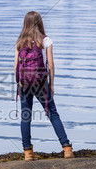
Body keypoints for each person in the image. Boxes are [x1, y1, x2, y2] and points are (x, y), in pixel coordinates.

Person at [14, 11, 74, 160]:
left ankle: (27, 152)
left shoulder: (20, 41)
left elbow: (15, 65)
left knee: (25, 116)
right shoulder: (45, 40)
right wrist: (51, 84)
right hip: (41, 83)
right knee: (53, 113)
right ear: (40, 22)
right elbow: (51, 65)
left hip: (24, 84)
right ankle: (66, 148)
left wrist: (19, 83)